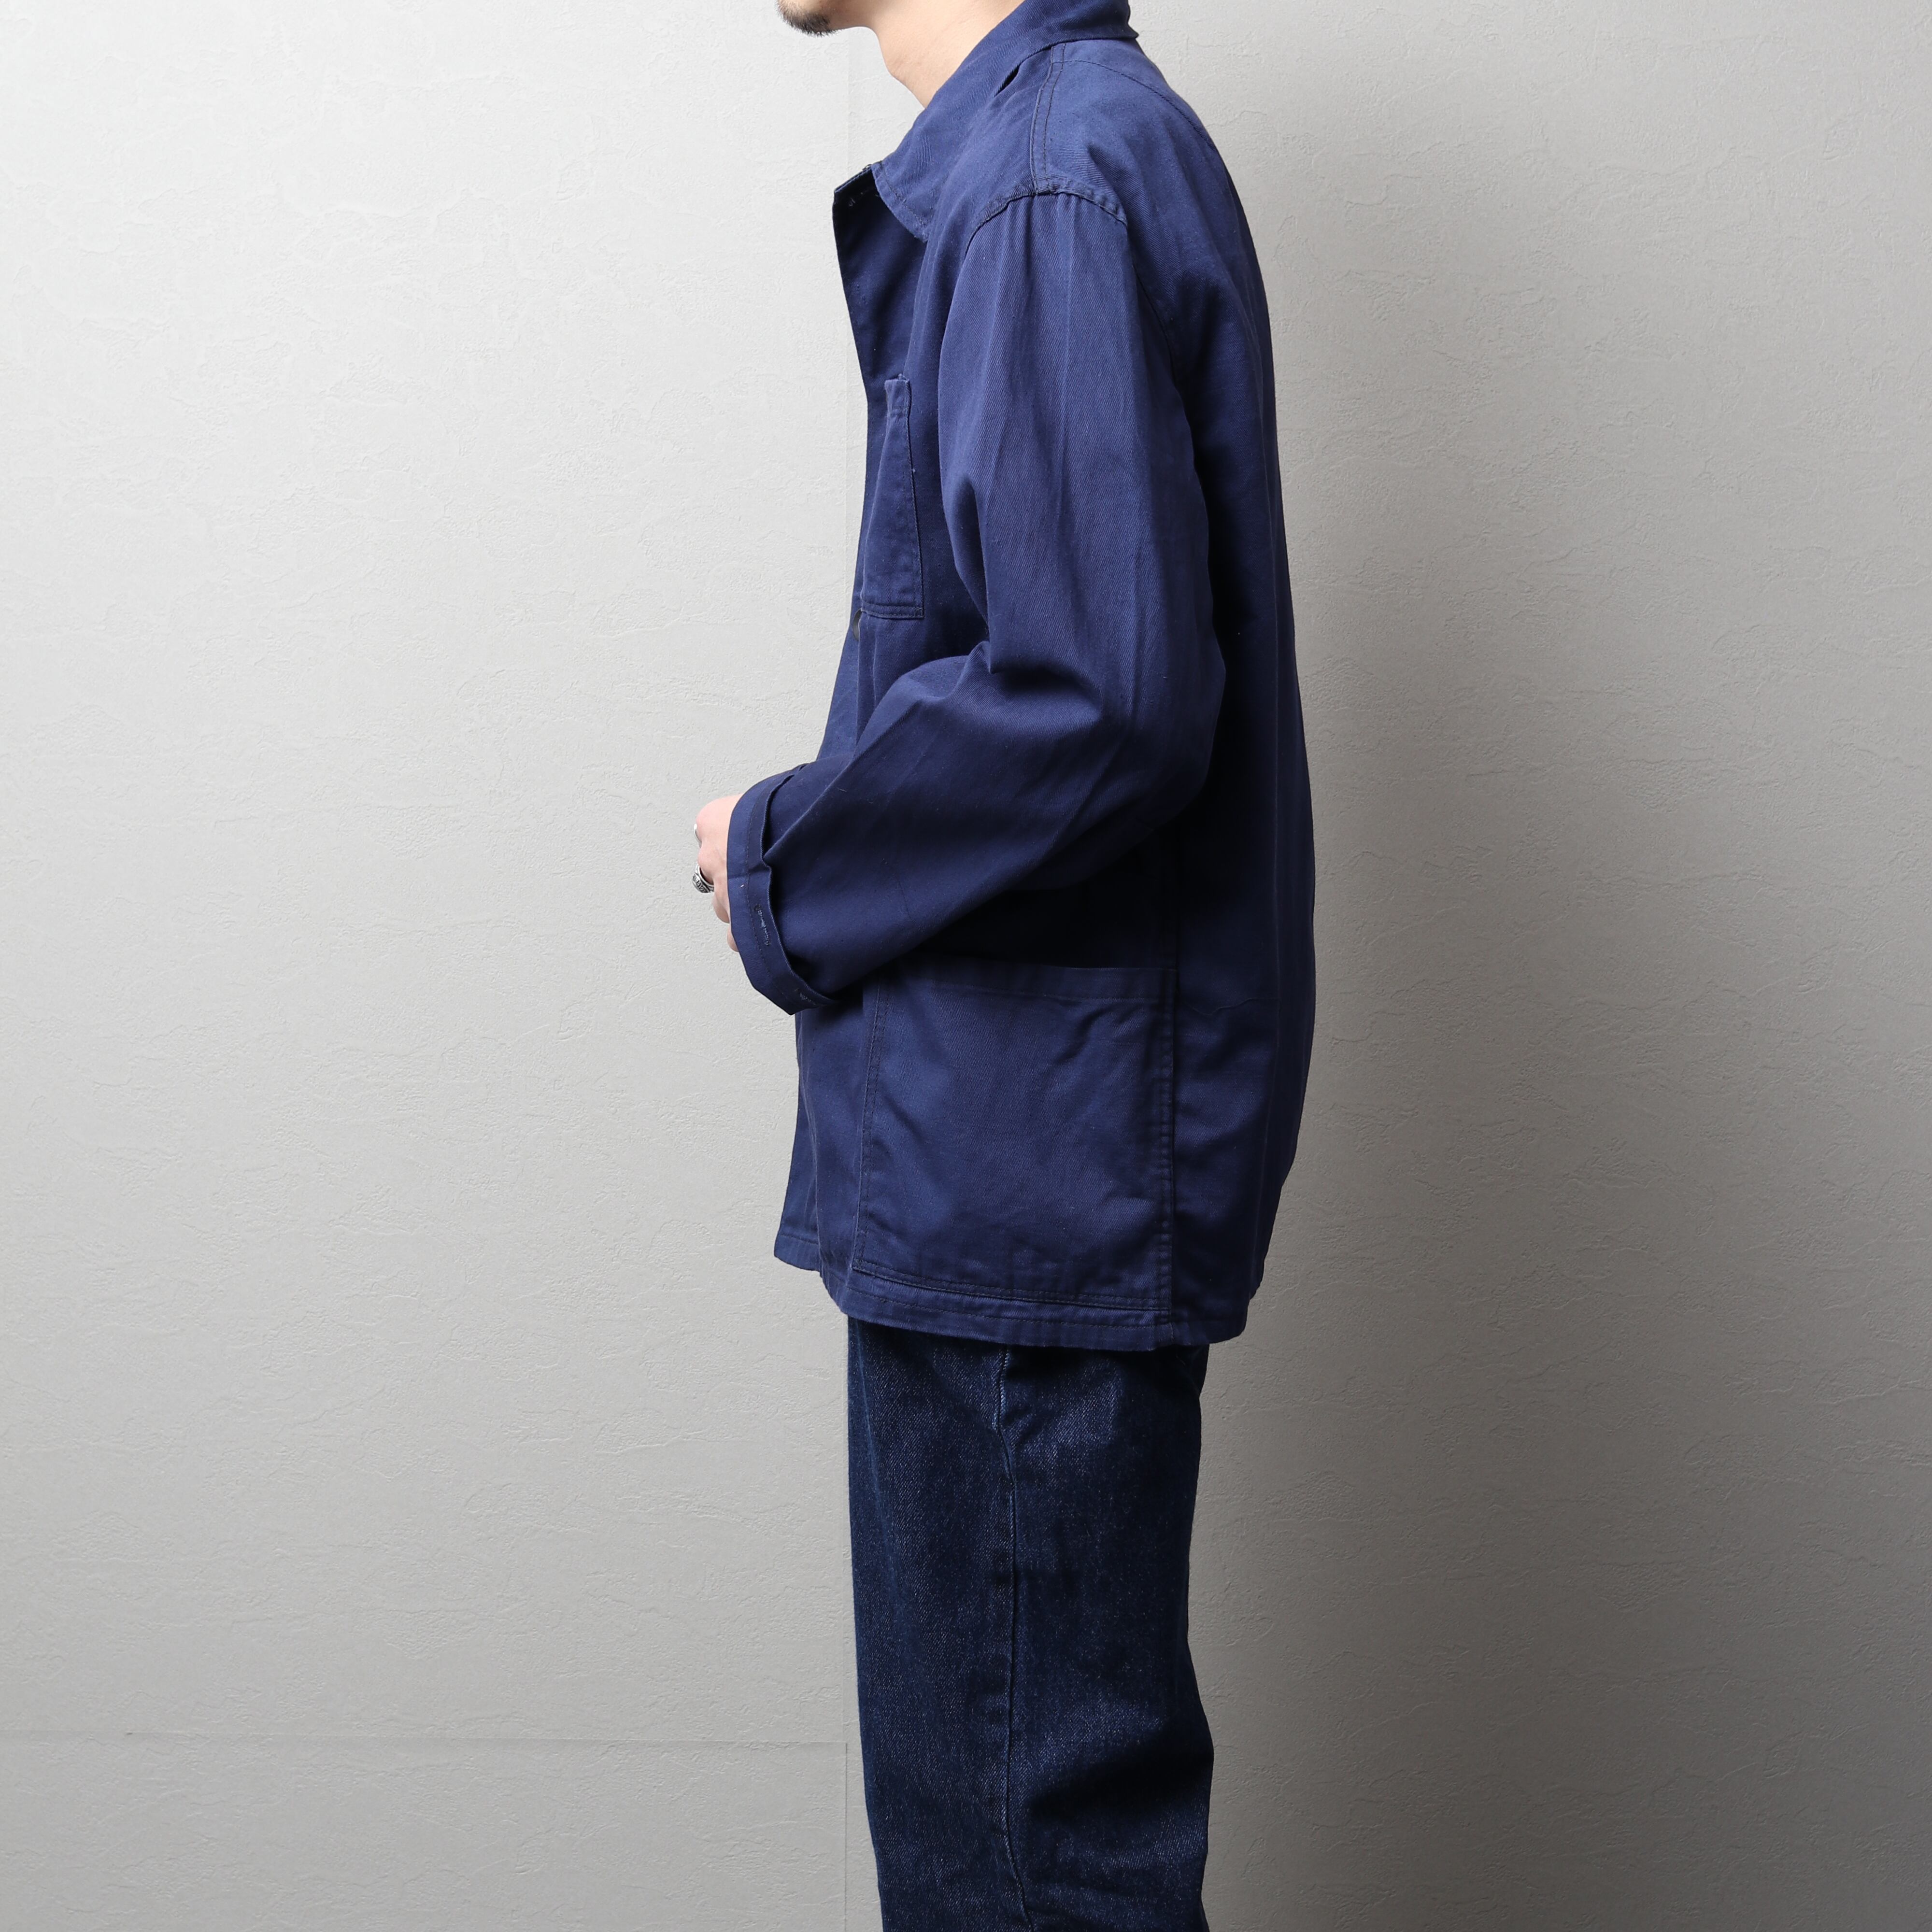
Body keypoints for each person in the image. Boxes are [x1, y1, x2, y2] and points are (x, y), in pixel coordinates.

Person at [692, 1, 1315, 1923]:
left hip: (1022, 1175)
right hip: (1016, 1156)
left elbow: (1098, 694)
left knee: (1022, 1870)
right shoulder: (1060, 154)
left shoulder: (1047, 179)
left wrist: (782, 848)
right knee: (1014, 1847)